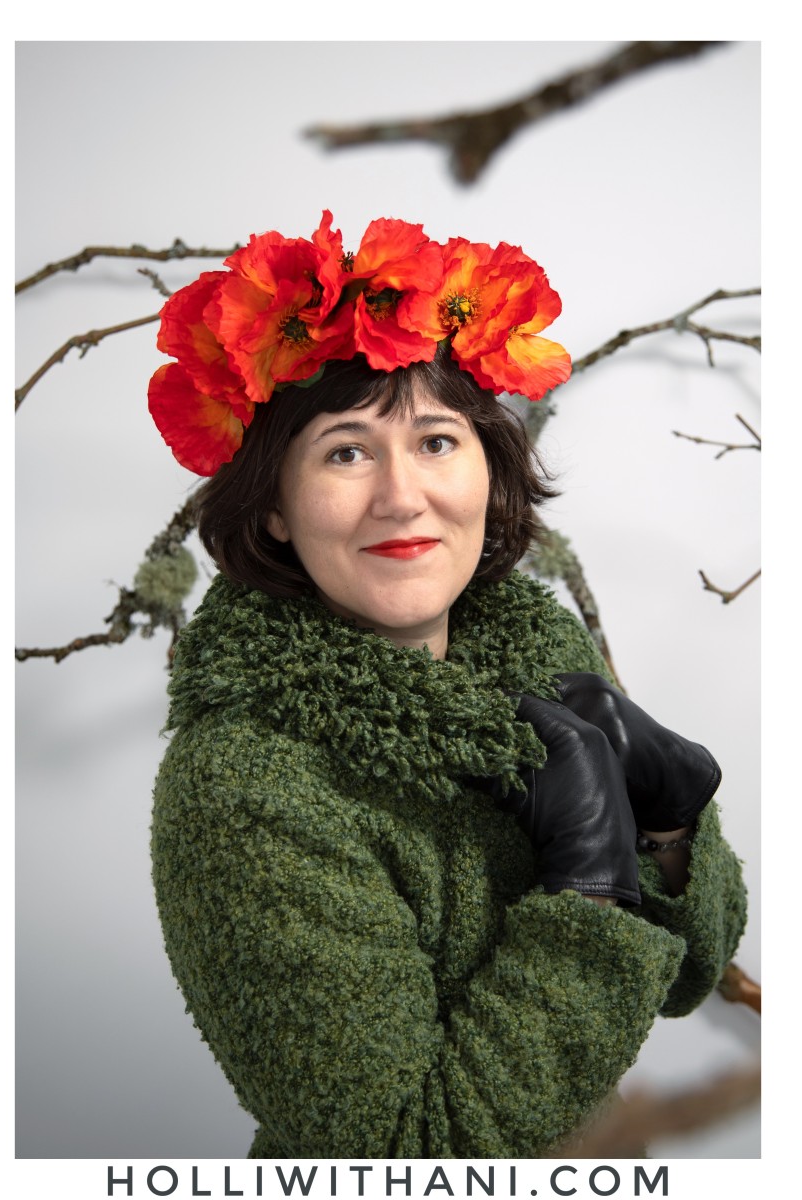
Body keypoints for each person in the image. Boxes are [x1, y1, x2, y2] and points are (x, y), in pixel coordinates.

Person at [148, 214, 747, 1159]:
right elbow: (404, 1149)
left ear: (488, 469)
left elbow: (688, 972)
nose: (402, 496)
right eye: (346, 451)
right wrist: (590, 892)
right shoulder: (245, 782)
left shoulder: (538, 648)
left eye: (435, 441)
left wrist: (668, 834)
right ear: (274, 506)